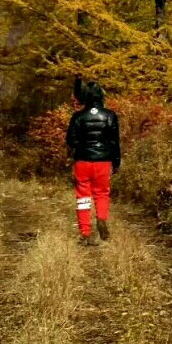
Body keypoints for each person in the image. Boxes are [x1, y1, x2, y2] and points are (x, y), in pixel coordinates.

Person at [65, 79, 120, 245]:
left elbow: (70, 139)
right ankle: (101, 219)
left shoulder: (78, 116)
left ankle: (85, 233)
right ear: (101, 96)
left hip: (82, 161)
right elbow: (114, 142)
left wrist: (80, 147)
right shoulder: (110, 115)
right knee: (102, 193)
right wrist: (116, 161)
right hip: (104, 161)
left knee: (83, 197)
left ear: (85, 97)